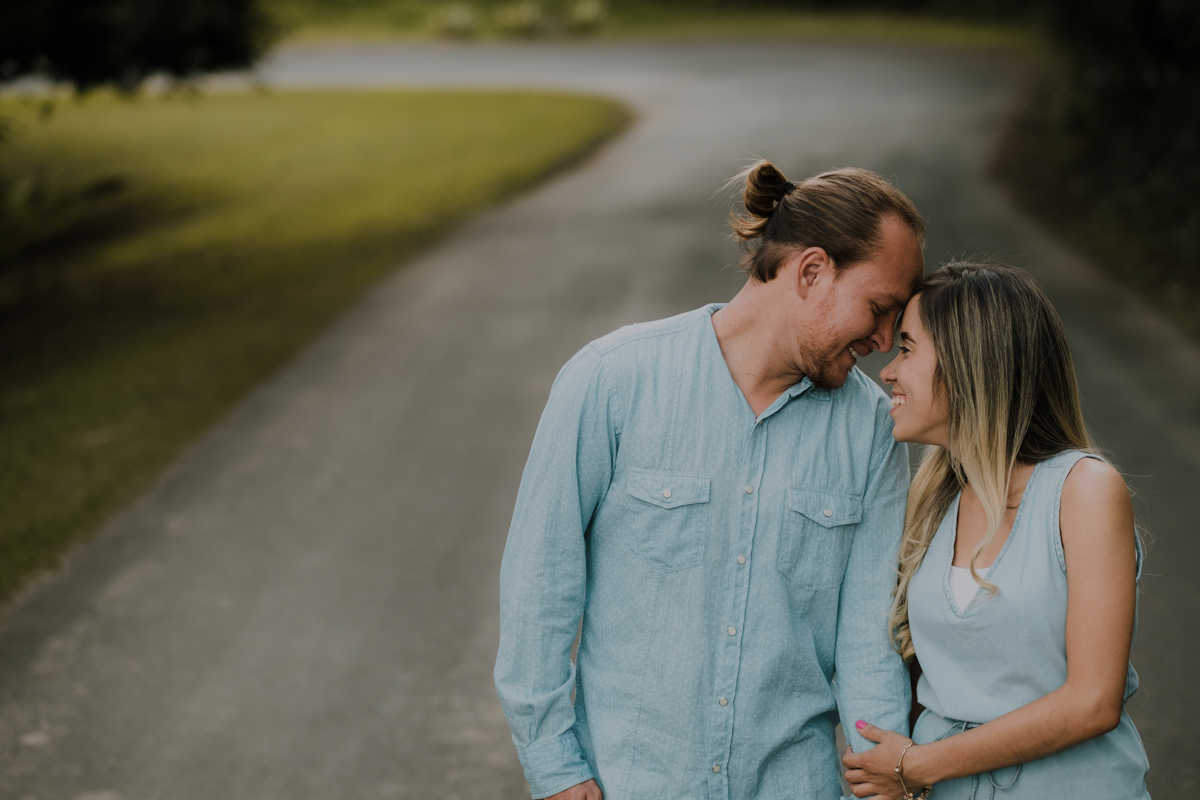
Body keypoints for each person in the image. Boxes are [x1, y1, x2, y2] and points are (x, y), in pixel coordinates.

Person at [494, 160, 926, 800]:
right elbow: (540, 586)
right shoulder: (612, 380)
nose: (888, 340)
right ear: (810, 271)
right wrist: (556, 770)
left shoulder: (870, 432)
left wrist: (886, 780)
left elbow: (868, 643)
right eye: (880, 309)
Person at [844, 262, 1151, 799]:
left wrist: (918, 765)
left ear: (968, 364)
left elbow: (1092, 702)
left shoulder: (1084, 490)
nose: (888, 371)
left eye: (909, 349)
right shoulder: (932, 501)